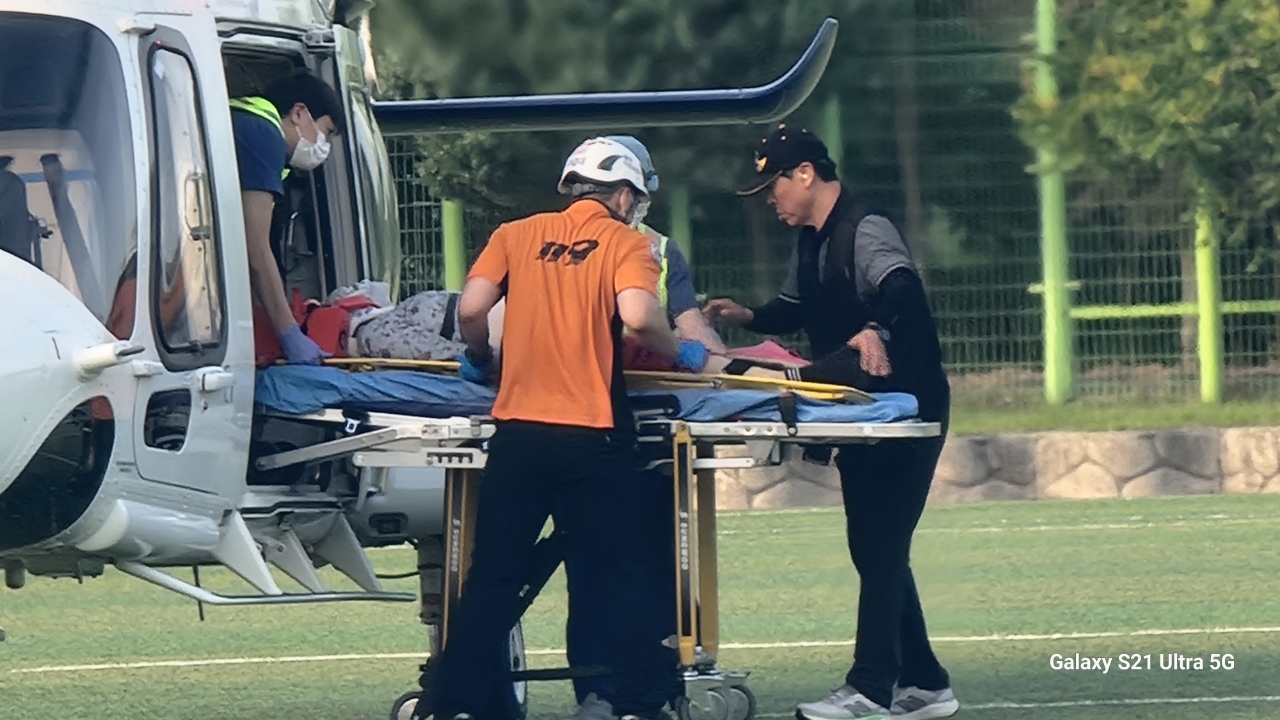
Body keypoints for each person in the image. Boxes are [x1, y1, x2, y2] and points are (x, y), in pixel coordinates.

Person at [417, 137, 710, 720]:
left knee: (493, 578)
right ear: (623, 195)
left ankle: (453, 703)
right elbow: (638, 316)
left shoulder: (514, 234)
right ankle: (622, 699)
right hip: (593, 435)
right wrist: (680, 352)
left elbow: (471, 310)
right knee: (614, 572)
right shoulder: (626, 243)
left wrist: (480, 356)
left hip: (518, 434)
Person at [703, 124, 960, 720]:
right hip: (857, 408)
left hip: (907, 407)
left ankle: (870, 688)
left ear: (805, 174)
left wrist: (876, 329)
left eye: (774, 186)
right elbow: (794, 308)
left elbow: (903, 289)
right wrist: (748, 315)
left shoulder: (864, 226)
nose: (771, 200)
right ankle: (926, 682)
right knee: (873, 545)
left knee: (881, 544)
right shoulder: (811, 239)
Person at [231, 68, 344, 365]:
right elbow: (255, 248)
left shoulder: (245, 121)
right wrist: (289, 334)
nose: (324, 145)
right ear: (298, 113)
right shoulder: (263, 132)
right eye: (326, 132)